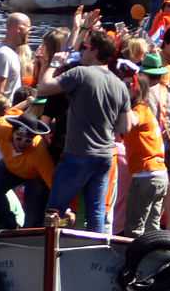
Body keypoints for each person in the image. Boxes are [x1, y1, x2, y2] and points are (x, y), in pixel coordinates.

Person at [35, 29, 130, 232]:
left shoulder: (81, 74)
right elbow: (124, 127)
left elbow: (43, 88)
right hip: (104, 156)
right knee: (96, 213)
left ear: (95, 51)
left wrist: (53, 63)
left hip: (78, 155)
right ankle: (95, 257)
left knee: (54, 210)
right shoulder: (120, 85)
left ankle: (51, 256)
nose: (82, 51)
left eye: (85, 47)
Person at [0, 112, 54, 228]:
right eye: (19, 138)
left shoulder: (39, 152)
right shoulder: (0, 128)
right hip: (9, 166)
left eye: (27, 141)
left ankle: (31, 234)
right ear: (12, 133)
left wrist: (64, 207)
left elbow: (52, 182)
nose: (22, 144)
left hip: (34, 176)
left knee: (32, 221)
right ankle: (7, 224)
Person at [123, 72, 168, 237]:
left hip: (146, 176)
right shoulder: (147, 110)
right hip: (159, 175)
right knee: (152, 230)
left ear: (135, 89)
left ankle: (133, 262)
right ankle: (154, 260)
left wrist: (121, 105)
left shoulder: (139, 110)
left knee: (134, 229)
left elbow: (131, 121)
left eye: (127, 86)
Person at [0, 13, 31, 97]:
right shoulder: (4, 55)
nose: (30, 33)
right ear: (19, 29)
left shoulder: (10, 52)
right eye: (29, 29)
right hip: (5, 109)